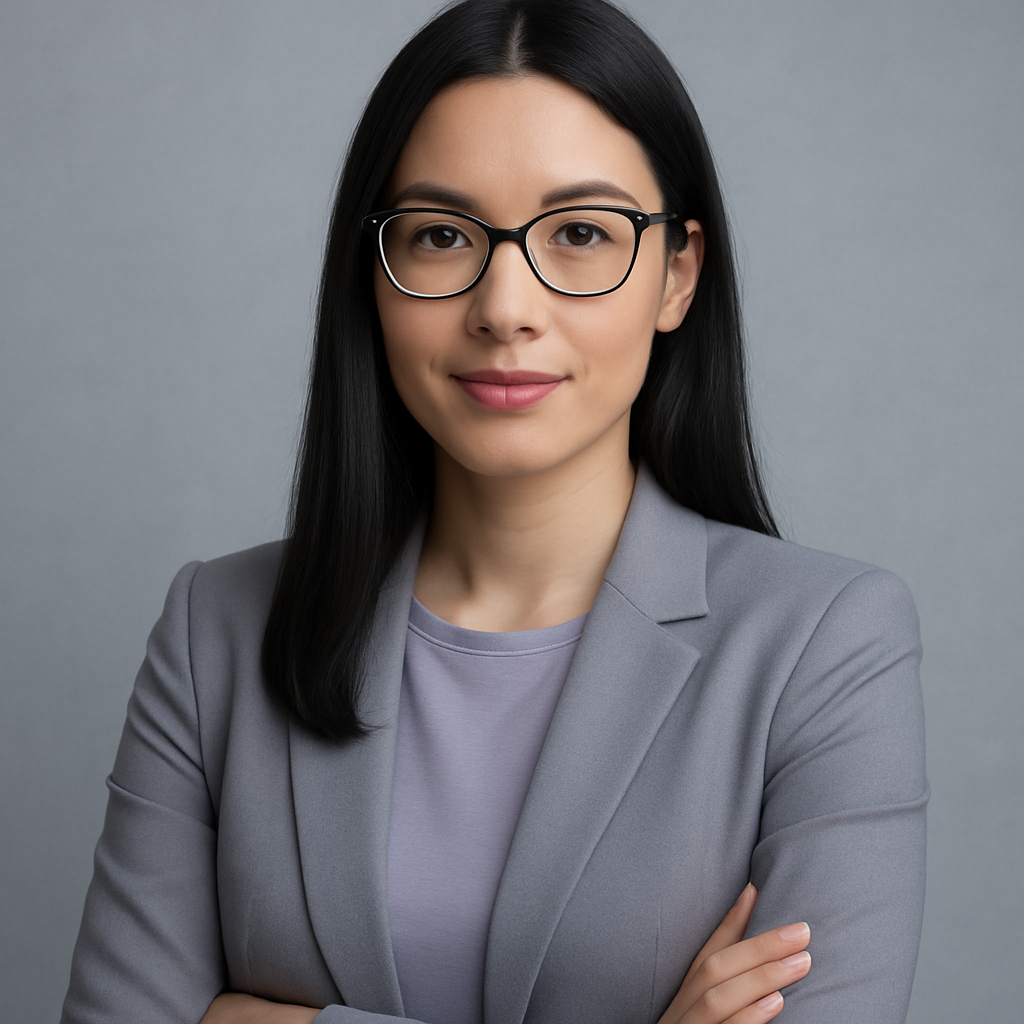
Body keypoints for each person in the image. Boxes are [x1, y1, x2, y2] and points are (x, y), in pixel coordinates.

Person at [60, 1, 928, 1022]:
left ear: (676, 275)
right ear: (371, 273)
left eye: (580, 233)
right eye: (438, 234)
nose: (506, 305)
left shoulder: (824, 646)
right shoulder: (217, 629)